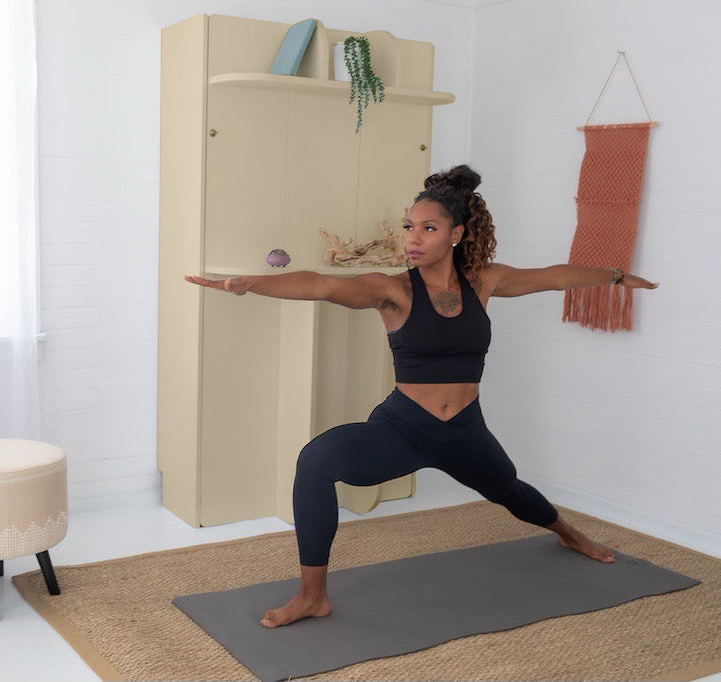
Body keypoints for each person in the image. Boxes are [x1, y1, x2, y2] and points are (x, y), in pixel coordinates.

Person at [184, 164, 659, 629]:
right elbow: (321, 283)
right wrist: (252, 284)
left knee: (509, 490)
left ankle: (568, 534)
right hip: (405, 428)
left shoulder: (484, 282)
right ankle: (312, 595)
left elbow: (554, 275)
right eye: (410, 227)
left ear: (456, 233)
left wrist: (615, 277)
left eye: (427, 228)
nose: (412, 238)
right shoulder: (392, 289)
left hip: (466, 431)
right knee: (315, 461)